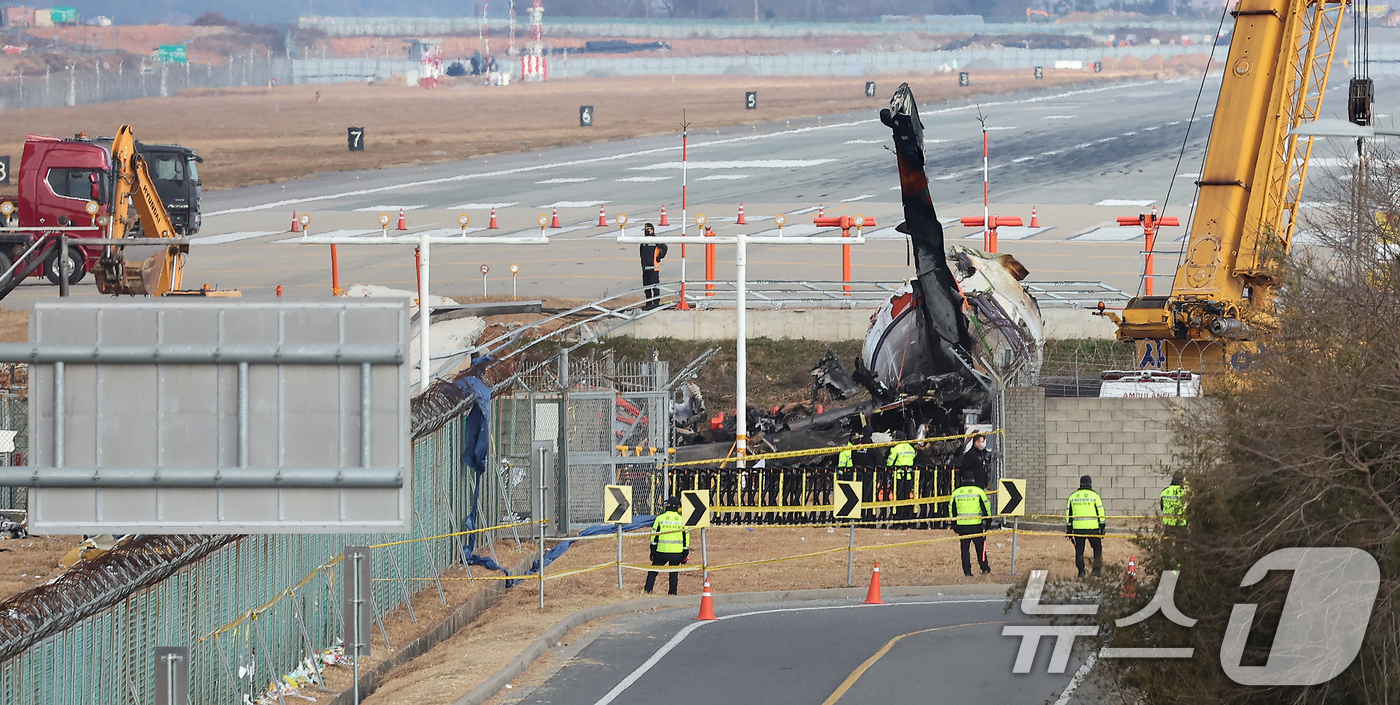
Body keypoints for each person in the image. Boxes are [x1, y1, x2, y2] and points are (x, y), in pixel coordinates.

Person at [644, 496, 689, 594]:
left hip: (661, 551)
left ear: (668, 505)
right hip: (677, 553)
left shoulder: (660, 518)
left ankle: (648, 591)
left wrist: (652, 550)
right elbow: (686, 537)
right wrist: (685, 553)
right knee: (673, 574)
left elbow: (654, 536)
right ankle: (672, 593)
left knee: (653, 572)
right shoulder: (682, 520)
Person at [951, 471, 992, 575]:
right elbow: (986, 507)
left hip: (962, 526)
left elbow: (951, 509)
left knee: (965, 550)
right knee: (980, 548)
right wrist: (988, 522)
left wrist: (954, 524)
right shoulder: (979, 491)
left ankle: (967, 572)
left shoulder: (956, 492)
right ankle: (985, 568)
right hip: (976, 525)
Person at [1066, 475, 1106, 578]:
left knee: (1079, 550)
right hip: (1093, 528)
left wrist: (1069, 529)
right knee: (1097, 548)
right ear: (1090, 484)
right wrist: (1102, 527)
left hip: (1078, 528)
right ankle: (1096, 570)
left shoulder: (1073, 496)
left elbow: (1068, 514)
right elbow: (1100, 511)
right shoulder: (1094, 496)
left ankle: (1081, 572)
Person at [887, 431, 917, 523]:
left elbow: (890, 463)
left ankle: (899, 518)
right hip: (909, 476)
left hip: (898, 477)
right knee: (907, 497)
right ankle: (908, 517)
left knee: (899, 497)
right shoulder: (911, 448)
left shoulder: (896, 448)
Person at [639, 222, 667, 310]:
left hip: (653, 267)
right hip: (645, 268)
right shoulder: (643, 241)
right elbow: (641, 253)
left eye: (648, 230)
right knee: (646, 287)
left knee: (655, 286)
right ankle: (648, 302)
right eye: (645, 230)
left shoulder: (656, 240)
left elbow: (665, 247)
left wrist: (659, 257)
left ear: (652, 230)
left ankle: (656, 302)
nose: (647, 232)